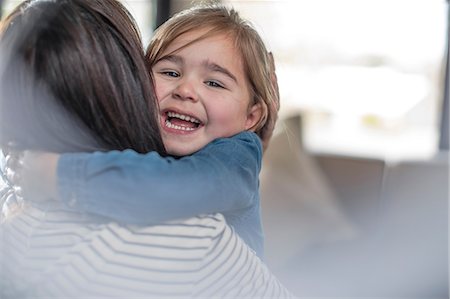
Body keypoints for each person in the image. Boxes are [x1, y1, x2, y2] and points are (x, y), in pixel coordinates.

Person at [0, 0, 293, 298]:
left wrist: (60, 174)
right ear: (140, 80)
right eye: (170, 73)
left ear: (252, 117)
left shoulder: (238, 154)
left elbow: (174, 188)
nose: (186, 91)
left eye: (215, 83)